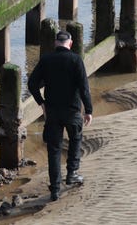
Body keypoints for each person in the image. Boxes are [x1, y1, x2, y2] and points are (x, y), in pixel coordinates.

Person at [27, 30, 93, 202]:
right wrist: (89, 110)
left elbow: (32, 83)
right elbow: (84, 88)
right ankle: (72, 173)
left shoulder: (46, 60)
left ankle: (55, 190)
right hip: (72, 111)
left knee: (54, 150)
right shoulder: (76, 60)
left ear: (56, 43)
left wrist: (41, 102)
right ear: (70, 44)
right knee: (75, 140)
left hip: (52, 112)